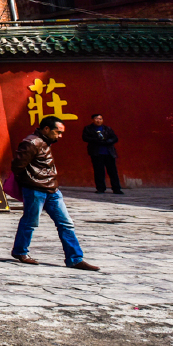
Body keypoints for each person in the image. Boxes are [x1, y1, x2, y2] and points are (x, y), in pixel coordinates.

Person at [12, 116, 99, 271]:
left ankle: (75, 259)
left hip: (52, 189)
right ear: (46, 129)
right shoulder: (31, 142)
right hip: (35, 189)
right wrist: (31, 182)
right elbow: (17, 166)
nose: (60, 136)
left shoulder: (45, 141)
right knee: (30, 222)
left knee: (66, 223)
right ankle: (20, 251)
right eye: (57, 132)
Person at [82, 114, 123, 195]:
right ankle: (100, 188)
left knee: (113, 171)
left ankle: (116, 188)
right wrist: (96, 140)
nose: (99, 120)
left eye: (100, 119)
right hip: (96, 153)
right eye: (96, 119)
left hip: (109, 152)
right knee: (99, 171)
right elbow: (85, 138)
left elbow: (115, 138)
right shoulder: (88, 128)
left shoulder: (107, 129)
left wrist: (107, 141)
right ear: (92, 120)